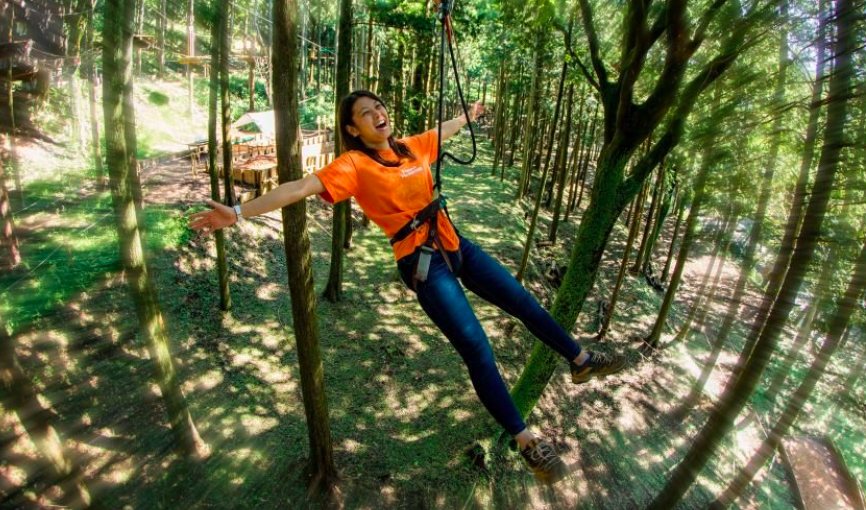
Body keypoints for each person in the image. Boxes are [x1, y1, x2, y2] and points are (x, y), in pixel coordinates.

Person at [189, 90, 626, 485]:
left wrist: (468, 115)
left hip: (456, 245)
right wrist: (239, 211)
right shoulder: (354, 166)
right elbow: (300, 187)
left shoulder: (410, 147)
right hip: (423, 265)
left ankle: (581, 359)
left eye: (379, 107)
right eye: (365, 113)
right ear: (352, 129)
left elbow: (443, 130)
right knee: (477, 347)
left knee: (521, 300)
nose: (377, 114)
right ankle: (528, 442)